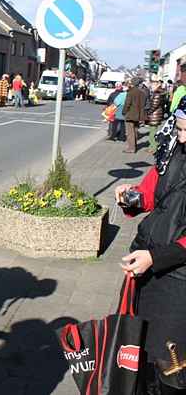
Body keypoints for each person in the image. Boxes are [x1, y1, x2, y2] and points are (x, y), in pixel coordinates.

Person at [115, 104, 186, 395]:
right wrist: (130, 198)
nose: (180, 137)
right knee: (137, 351)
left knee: (170, 363)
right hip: (145, 267)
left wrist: (156, 258)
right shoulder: (175, 151)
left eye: (185, 130)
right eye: (180, 128)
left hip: (178, 281)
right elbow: (151, 193)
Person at [123, 77, 146, 153]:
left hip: (130, 114)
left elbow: (127, 104)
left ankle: (131, 148)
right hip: (139, 114)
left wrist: (124, 111)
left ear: (132, 83)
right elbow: (144, 104)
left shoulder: (130, 92)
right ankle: (134, 146)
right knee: (135, 130)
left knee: (130, 132)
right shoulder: (142, 92)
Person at [147, 77, 167, 154]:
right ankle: (151, 147)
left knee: (152, 133)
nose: (151, 86)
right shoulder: (160, 92)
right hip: (157, 114)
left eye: (152, 85)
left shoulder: (157, 93)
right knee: (153, 132)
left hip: (154, 115)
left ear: (156, 85)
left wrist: (148, 112)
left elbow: (154, 105)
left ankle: (154, 148)